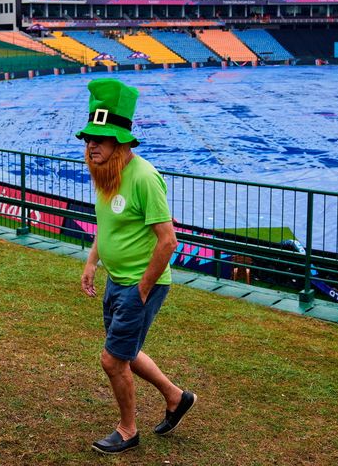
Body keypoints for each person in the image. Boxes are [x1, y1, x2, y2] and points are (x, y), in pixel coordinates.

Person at [77, 79, 197, 455]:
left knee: (112, 360)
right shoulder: (106, 174)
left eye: (101, 139)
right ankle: (177, 398)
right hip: (117, 281)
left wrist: (141, 291)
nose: (91, 145)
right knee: (124, 351)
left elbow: (168, 241)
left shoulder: (144, 177)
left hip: (139, 285)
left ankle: (128, 430)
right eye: (88, 138)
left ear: (121, 142)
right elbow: (107, 226)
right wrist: (92, 261)